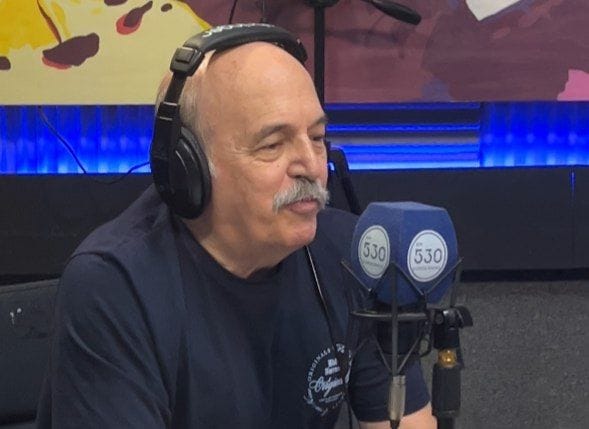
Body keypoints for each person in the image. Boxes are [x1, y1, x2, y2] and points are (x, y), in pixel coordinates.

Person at [36, 25, 436, 429]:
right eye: (273, 145)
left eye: (317, 137)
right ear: (188, 167)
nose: (311, 166)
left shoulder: (350, 254)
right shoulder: (114, 287)